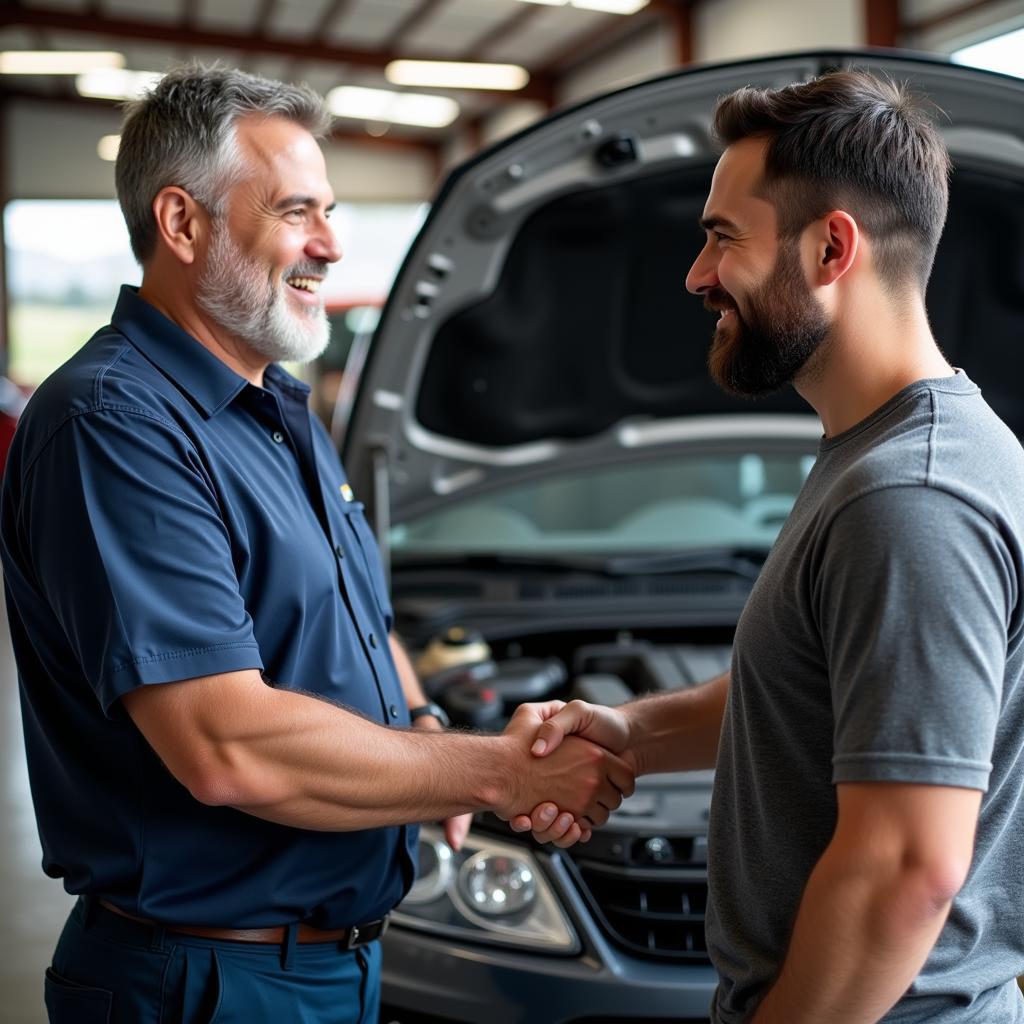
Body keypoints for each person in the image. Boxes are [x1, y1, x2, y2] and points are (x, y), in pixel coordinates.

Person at [0, 64, 634, 1024]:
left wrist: (425, 730)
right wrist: (499, 769)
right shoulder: (114, 425)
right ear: (182, 223)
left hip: (332, 965)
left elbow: (353, 617)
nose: (331, 246)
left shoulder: (275, 407)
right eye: (299, 212)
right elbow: (226, 745)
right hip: (207, 982)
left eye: (329, 211)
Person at [514, 70, 1024, 1022]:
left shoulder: (911, 497)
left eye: (721, 238)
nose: (697, 277)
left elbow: (907, 866)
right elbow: (830, 693)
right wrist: (631, 733)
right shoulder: (894, 455)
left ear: (832, 247)